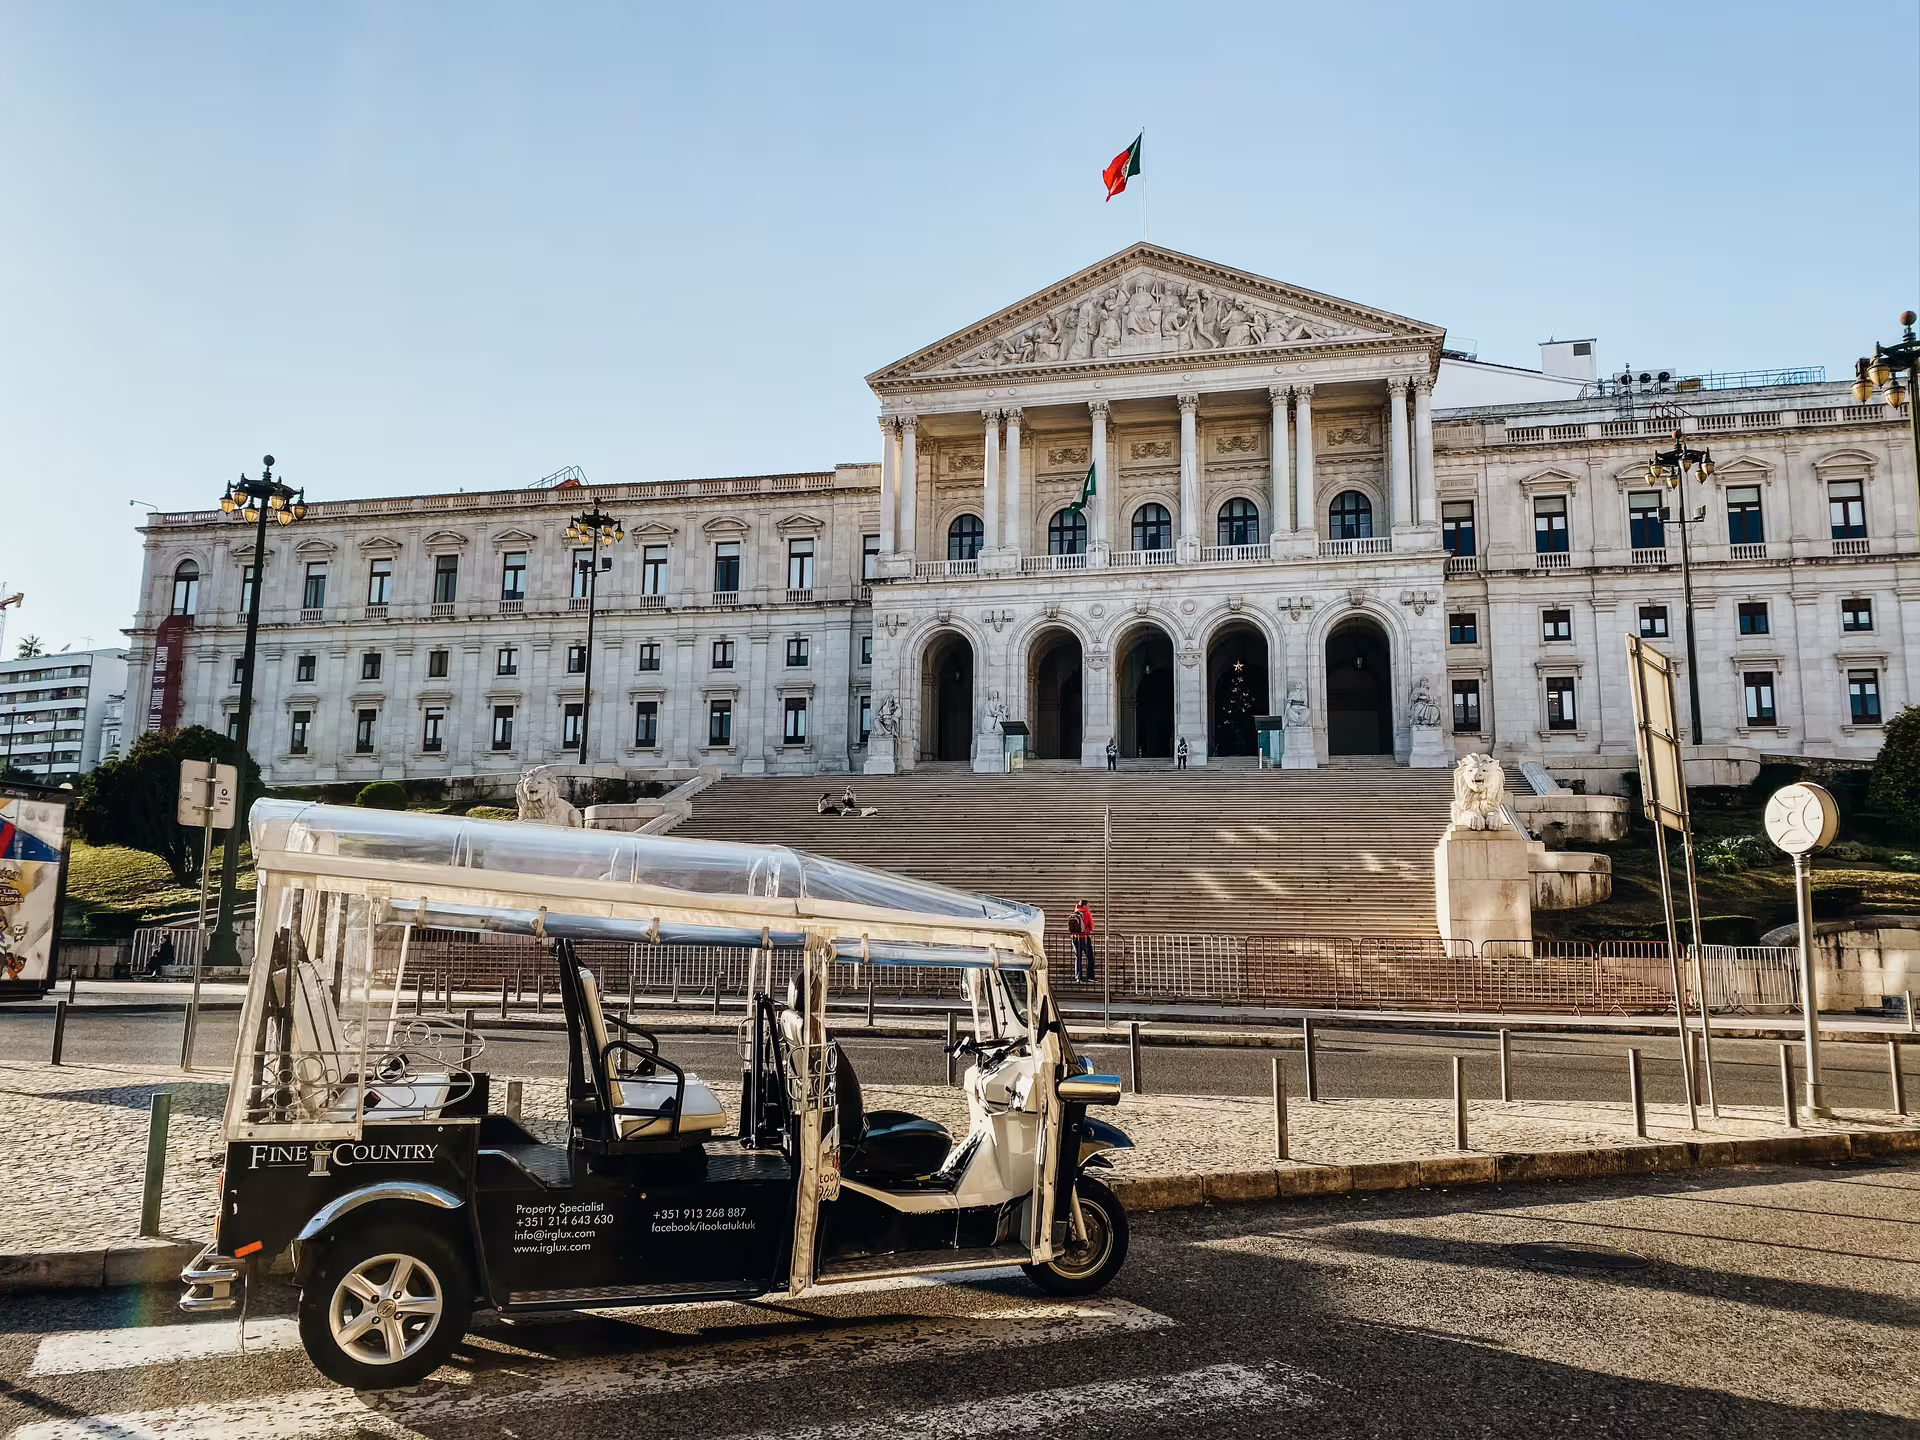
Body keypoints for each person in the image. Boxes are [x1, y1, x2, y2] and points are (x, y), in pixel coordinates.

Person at [1069, 899, 1096, 983]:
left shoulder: (1075, 912)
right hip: (1084, 938)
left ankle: (1078, 977)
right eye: (1088, 905)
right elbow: (1091, 926)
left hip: (1075, 938)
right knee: (1090, 958)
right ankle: (1090, 976)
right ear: (1084, 906)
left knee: (1078, 958)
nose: (1089, 906)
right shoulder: (1087, 913)